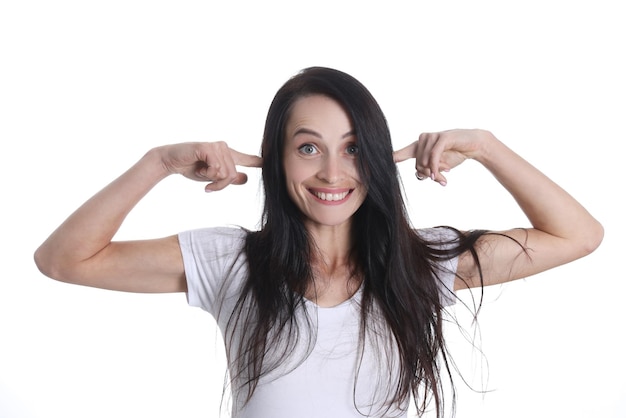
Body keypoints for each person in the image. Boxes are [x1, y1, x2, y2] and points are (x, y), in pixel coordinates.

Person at [34, 67, 603, 418]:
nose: (333, 172)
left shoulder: (423, 263)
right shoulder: (231, 261)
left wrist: (486, 146)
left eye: (354, 147)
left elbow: (578, 236)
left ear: (378, 157)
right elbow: (63, 260)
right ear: (277, 158)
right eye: (308, 147)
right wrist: (157, 162)